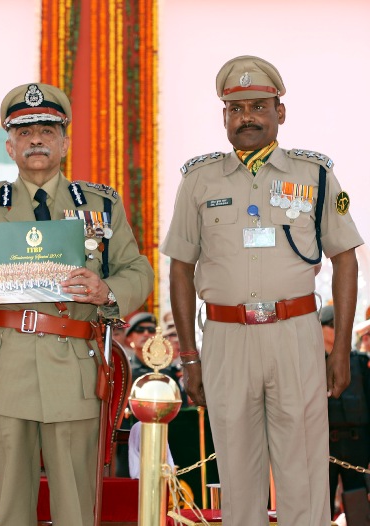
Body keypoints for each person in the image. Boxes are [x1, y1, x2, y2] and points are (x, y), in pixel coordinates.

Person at [0, 82, 153, 526]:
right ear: (11, 146)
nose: (37, 139)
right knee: (11, 506)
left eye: (48, 130)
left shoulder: (101, 204)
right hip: (3, 368)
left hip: (73, 368)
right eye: (26, 131)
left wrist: (105, 290)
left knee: (75, 507)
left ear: (64, 142)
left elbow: (138, 272)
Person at [162, 55, 363, 525]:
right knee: (236, 474)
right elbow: (179, 268)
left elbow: (345, 258)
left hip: (294, 333)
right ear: (224, 117)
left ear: (280, 112)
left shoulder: (315, 176)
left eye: (258, 106)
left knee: (305, 474)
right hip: (227, 339)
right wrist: (189, 356)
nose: (246, 117)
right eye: (236, 109)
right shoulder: (198, 180)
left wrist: (341, 352)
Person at [324, 306, 370, 519]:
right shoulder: (309, 363)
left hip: (357, 445)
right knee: (321, 507)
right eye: (332, 325)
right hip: (324, 447)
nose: (339, 330)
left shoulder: (360, 363)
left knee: (358, 508)